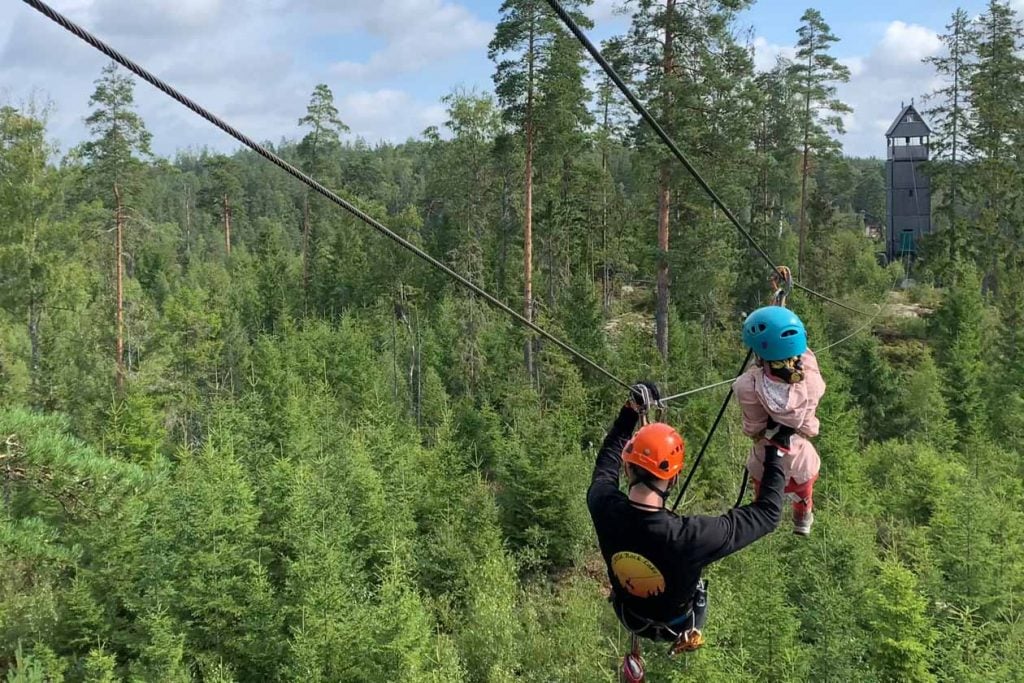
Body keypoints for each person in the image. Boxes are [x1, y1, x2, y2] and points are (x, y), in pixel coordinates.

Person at [587, 381, 787, 655]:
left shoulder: (603, 505)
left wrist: (631, 411)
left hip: (630, 613)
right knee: (698, 588)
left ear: (627, 469)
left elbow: (605, 463)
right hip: (677, 624)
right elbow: (768, 513)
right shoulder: (692, 537)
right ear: (675, 478)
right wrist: (774, 452)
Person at [734, 306, 826, 536]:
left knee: (762, 496)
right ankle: (802, 519)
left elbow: (752, 427)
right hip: (801, 460)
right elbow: (803, 352)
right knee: (804, 493)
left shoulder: (748, 386)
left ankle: (758, 524)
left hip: (766, 461)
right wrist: (783, 317)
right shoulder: (812, 381)